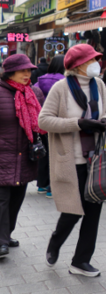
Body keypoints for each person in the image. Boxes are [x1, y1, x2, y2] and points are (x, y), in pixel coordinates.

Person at [38, 44, 106, 277]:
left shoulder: (99, 85)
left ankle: (80, 261)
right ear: (77, 65)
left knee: (93, 213)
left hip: (96, 158)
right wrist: (78, 124)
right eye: (92, 60)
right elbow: (44, 121)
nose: (96, 64)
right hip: (71, 160)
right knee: (72, 210)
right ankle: (55, 241)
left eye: (97, 59)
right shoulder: (61, 88)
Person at [0, 54, 45, 258]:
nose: (27, 74)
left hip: (25, 156)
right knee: (2, 199)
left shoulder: (34, 93)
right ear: (10, 72)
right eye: (22, 71)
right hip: (2, 156)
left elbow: (42, 120)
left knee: (17, 199)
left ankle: (6, 235)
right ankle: (0, 242)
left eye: (29, 71)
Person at [36, 55, 65, 197]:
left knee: (44, 152)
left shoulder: (41, 80)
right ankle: (52, 187)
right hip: (58, 122)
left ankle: (41, 184)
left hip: (42, 121)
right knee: (57, 153)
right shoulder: (64, 81)